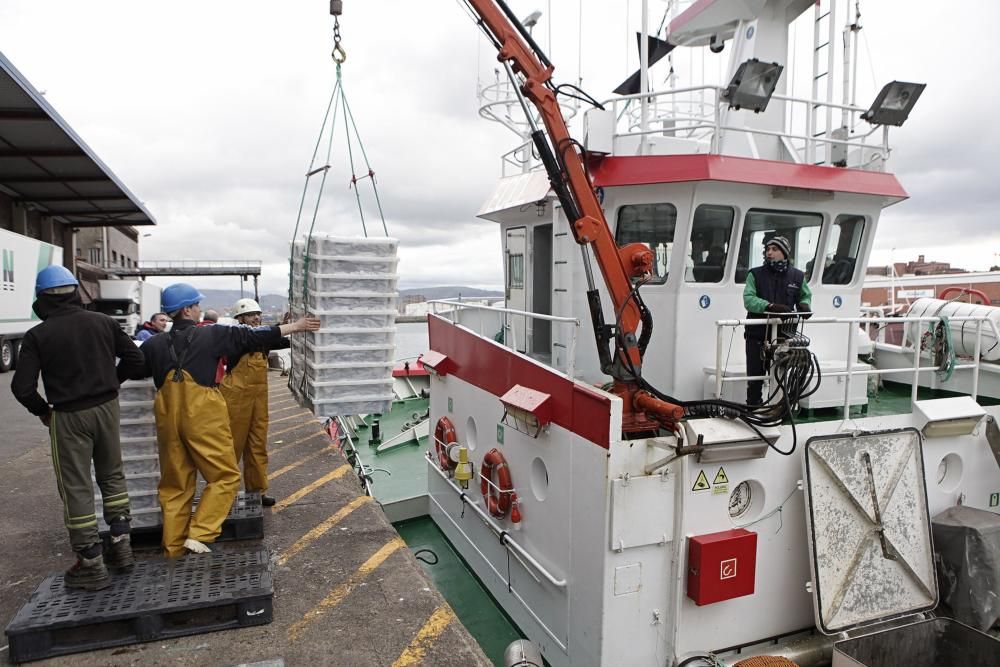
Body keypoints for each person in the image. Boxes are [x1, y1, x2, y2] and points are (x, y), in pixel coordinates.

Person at [140, 283, 320, 557]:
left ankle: (173, 547)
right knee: (225, 476)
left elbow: (131, 368)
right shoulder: (211, 335)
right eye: (197, 304)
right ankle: (200, 534)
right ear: (188, 309)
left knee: (175, 484)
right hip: (201, 412)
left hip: (167, 416)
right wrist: (295, 327)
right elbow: (254, 337)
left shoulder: (153, 344)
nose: (199, 309)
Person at [11, 266, 146, 590]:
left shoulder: (38, 335)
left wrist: (44, 413)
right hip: (106, 410)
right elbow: (136, 361)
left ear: (41, 299)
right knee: (112, 475)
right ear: (75, 293)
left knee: (76, 486)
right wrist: (110, 383)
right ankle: (121, 546)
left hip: (69, 416)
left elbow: (22, 387)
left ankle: (90, 562)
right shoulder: (103, 322)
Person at [220, 298, 290, 507]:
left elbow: (278, 340)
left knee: (257, 444)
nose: (257, 318)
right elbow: (255, 339)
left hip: (258, 397)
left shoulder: (261, 337)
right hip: (235, 397)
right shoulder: (236, 337)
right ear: (240, 318)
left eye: (258, 314)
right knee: (233, 446)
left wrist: (288, 329)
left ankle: (257, 491)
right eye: (251, 315)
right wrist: (280, 328)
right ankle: (223, 494)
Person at [742, 235, 812, 405]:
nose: (769, 253)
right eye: (767, 249)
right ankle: (754, 408)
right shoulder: (755, 274)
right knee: (755, 376)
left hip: (784, 336)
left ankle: (782, 409)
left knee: (782, 374)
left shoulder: (797, 276)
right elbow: (748, 299)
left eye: (774, 249)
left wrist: (804, 305)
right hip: (757, 335)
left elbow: (805, 295)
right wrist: (770, 306)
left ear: (785, 253)